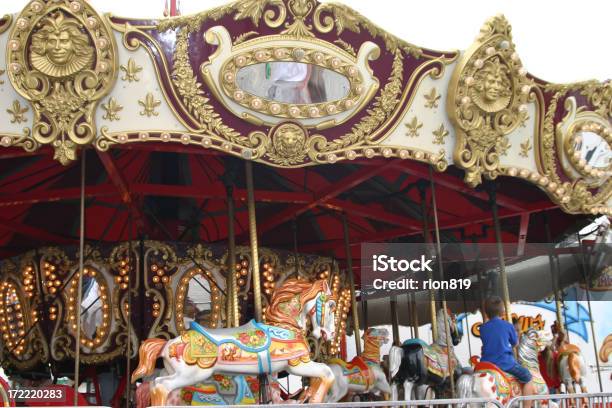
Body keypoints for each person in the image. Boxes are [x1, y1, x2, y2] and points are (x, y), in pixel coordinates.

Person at [480, 296, 534, 405]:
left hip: (486, 364)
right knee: (528, 377)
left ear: (486, 313)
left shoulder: (483, 328)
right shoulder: (508, 326)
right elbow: (515, 344)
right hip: (504, 363)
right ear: (503, 311)